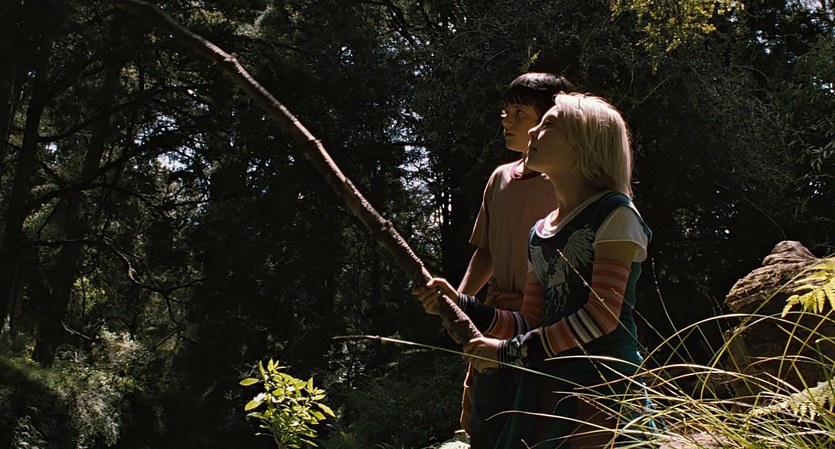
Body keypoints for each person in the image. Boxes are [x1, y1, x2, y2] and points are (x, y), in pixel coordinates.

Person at [419, 93, 656, 448]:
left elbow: (601, 316)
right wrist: (461, 303)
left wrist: (506, 352)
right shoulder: (540, 231)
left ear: (583, 144)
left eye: (549, 125)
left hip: (601, 392)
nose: (532, 131)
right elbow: (531, 319)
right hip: (547, 389)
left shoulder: (615, 214)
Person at [417, 72, 573, 448]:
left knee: (539, 422)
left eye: (520, 112)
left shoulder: (567, 182)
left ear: (553, 121)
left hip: (549, 325)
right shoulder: (500, 178)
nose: (506, 120)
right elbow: (486, 250)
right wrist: (459, 301)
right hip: (495, 319)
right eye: (505, 111)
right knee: (488, 418)